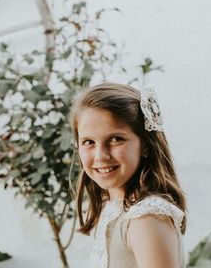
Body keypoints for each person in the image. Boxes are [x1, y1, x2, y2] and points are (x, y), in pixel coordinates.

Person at [71, 82, 187, 268]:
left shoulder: (146, 218)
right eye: (89, 142)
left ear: (146, 145)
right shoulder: (112, 206)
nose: (101, 155)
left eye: (116, 139)